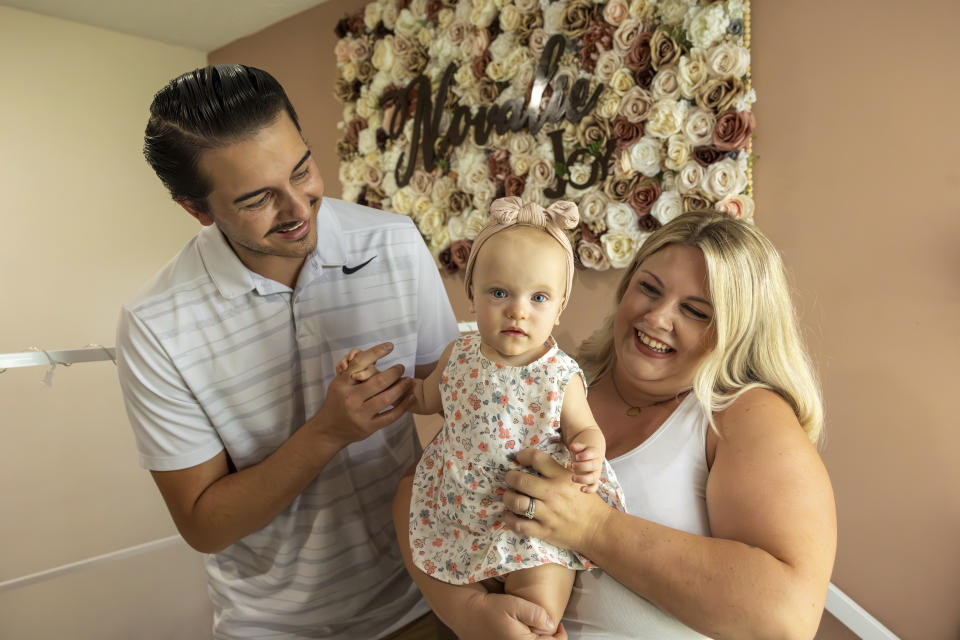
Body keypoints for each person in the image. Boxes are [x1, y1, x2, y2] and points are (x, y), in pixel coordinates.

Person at [115, 64, 459, 639]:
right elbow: (205, 525)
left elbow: (456, 396)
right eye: (258, 199)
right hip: (272, 626)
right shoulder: (155, 325)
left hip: (425, 596)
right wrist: (327, 432)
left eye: (302, 170)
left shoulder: (393, 242)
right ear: (196, 209)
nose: (300, 208)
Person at [392, 210, 837, 639]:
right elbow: (422, 489)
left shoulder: (744, 414)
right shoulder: (559, 374)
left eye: (696, 311)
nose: (658, 318)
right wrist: (467, 613)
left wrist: (592, 527)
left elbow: (788, 616)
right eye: (649, 288)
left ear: (739, 330)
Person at [338, 196, 625, 633]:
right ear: (472, 294)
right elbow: (426, 397)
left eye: (539, 297)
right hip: (460, 502)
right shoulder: (459, 353)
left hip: (531, 518)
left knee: (535, 616)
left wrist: (588, 448)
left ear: (560, 306)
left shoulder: (558, 375)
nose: (518, 310)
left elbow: (584, 428)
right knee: (462, 597)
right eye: (499, 292)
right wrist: (375, 382)